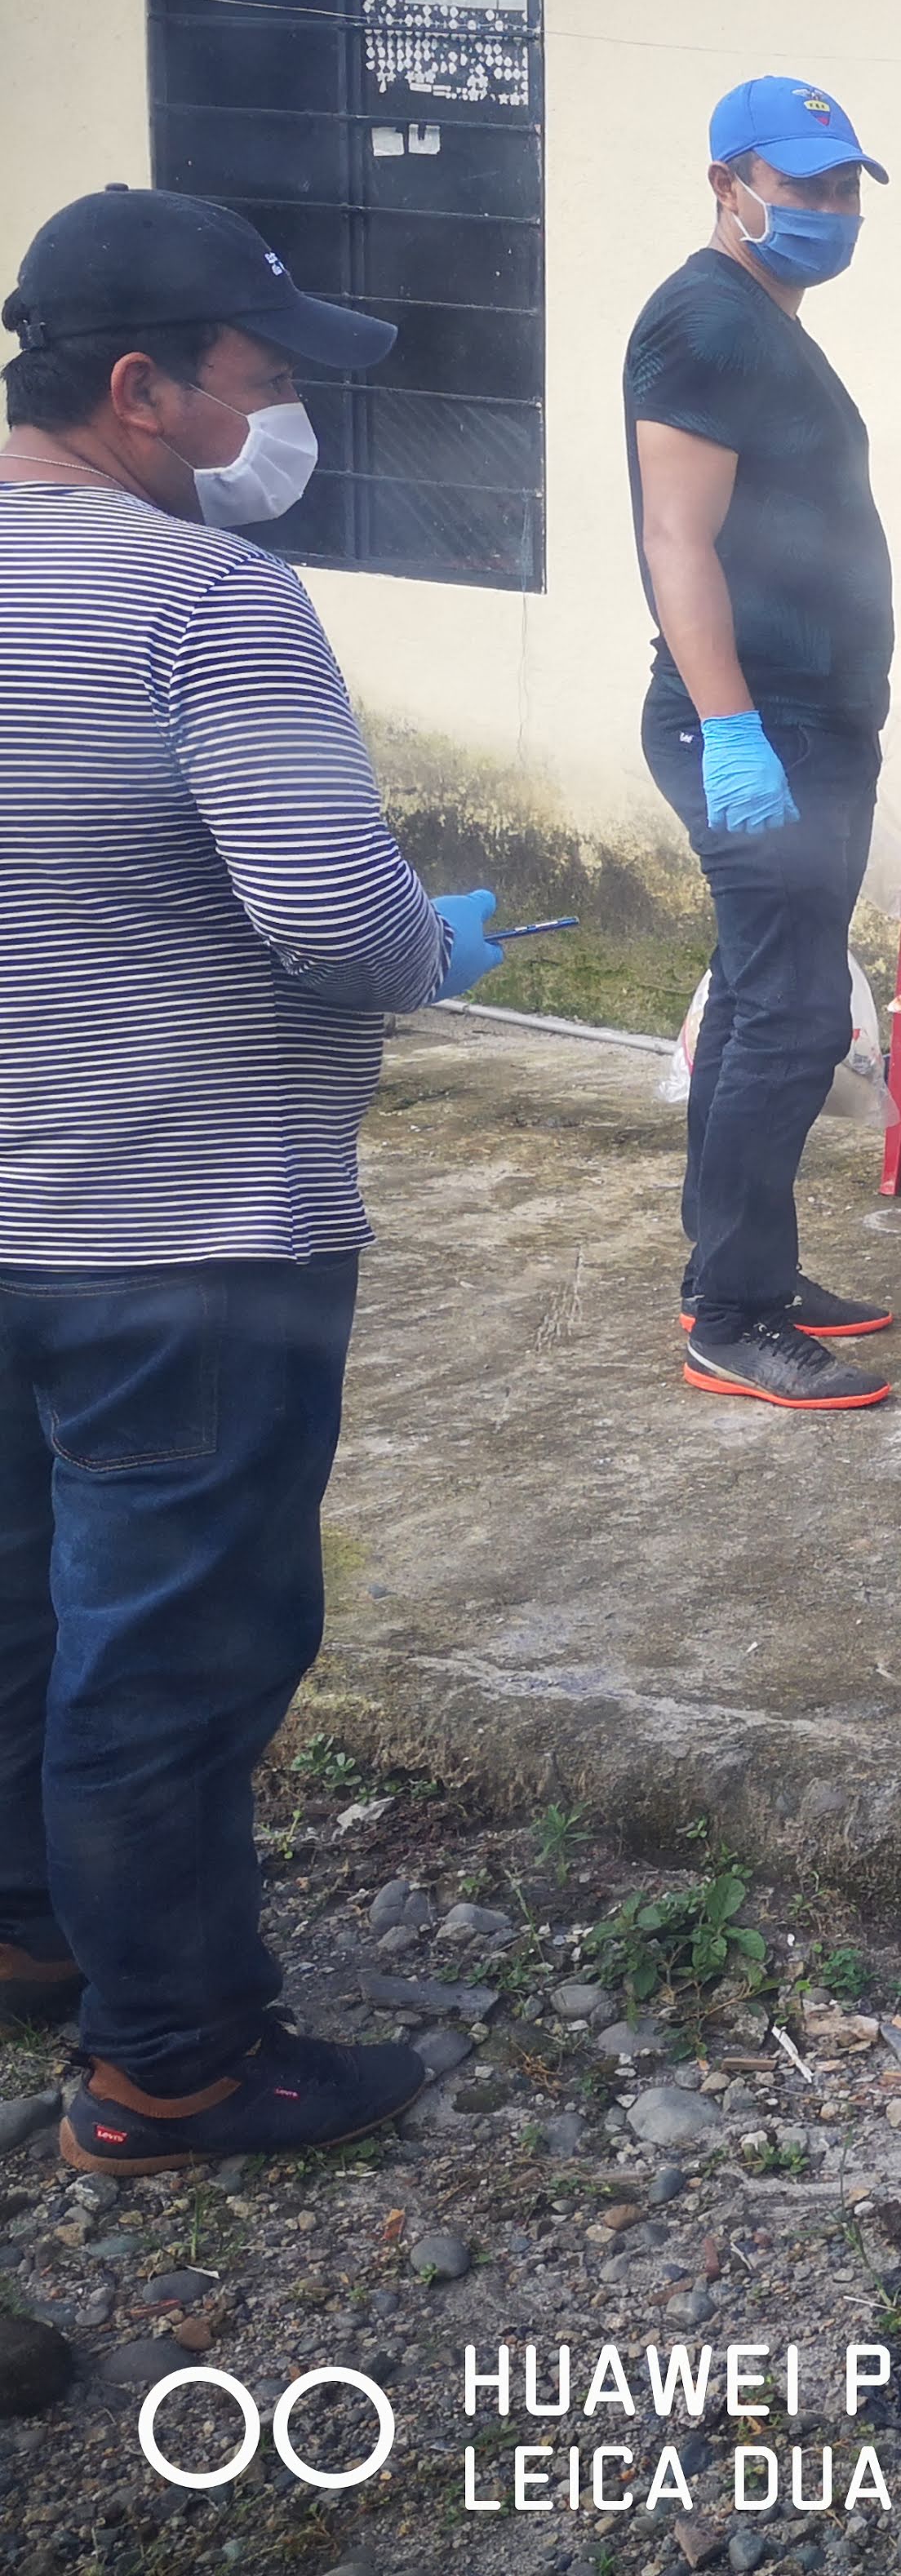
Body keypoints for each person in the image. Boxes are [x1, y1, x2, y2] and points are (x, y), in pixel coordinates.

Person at [0, 186, 504, 2170]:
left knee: (19, 1602)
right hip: (184, 1226)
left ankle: (37, 1926)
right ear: (139, 388)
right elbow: (326, 916)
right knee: (173, 1651)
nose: (279, 416)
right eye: (256, 377)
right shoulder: (206, 597)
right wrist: (427, 941)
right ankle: (174, 2061)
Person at [627, 76, 900, 1411]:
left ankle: (735, 1276)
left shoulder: (762, 321)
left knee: (756, 999)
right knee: (790, 1014)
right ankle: (732, 1319)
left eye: (845, 186)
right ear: (728, 184)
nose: (831, 209)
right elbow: (675, 538)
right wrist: (734, 728)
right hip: (757, 726)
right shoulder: (703, 319)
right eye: (804, 185)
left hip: (808, 721)